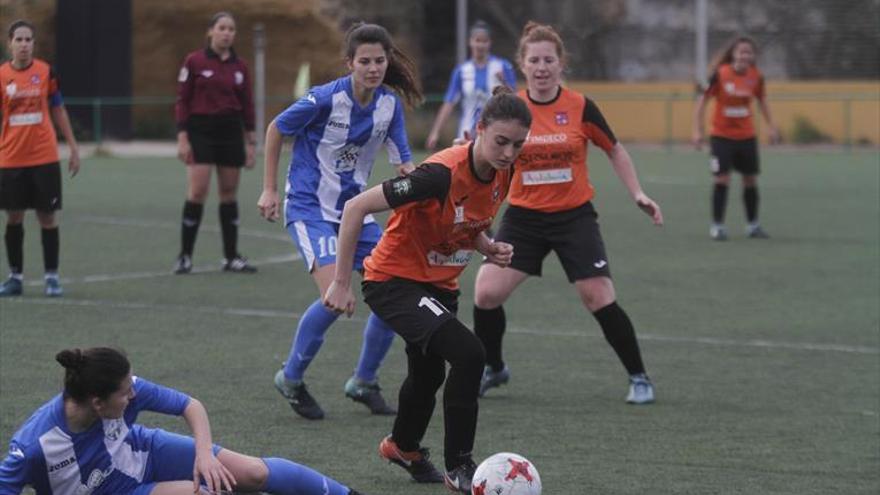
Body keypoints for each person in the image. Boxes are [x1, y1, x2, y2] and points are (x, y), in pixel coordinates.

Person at [323, 87, 532, 493]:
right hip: (393, 281)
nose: (509, 153)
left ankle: (403, 447)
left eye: (518, 144)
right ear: (478, 131)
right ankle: (460, 467)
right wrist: (340, 282)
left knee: (429, 371)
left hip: (440, 285)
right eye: (501, 142)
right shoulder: (438, 174)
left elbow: (466, 221)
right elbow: (355, 208)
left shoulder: (504, 173)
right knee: (470, 354)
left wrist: (487, 245)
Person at [472, 22, 664, 405]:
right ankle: (494, 368)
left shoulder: (580, 106)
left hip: (573, 216)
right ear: (522, 65)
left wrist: (638, 193)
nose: (542, 67)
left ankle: (639, 377)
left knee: (597, 295)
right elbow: (485, 155)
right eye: (534, 60)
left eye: (549, 59)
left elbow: (614, 149)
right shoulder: (513, 108)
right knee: (486, 293)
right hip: (524, 218)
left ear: (561, 64)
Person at [257, 23, 422, 420]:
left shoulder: (389, 106)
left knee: (393, 293)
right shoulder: (324, 100)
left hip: (356, 213)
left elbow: (404, 162)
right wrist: (269, 189)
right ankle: (291, 377)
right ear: (349, 63)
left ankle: (363, 381)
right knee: (335, 297)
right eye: (364, 61)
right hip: (310, 210)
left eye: (379, 60)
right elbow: (276, 129)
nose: (372, 68)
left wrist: (419, 186)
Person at [0, 347, 365, 495]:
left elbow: (191, 405)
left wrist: (205, 455)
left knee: (252, 473)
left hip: (146, 451)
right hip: (122, 492)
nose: (133, 394)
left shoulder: (124, 390)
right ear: (97, 403)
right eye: (124, 392)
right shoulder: (34, 447)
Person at [0, 20, 80, 298]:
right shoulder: (1, 76)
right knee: (14, 217)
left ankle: (51, 277)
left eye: (28, 39)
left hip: (44, 157)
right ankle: (15, 277)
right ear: (10, 43)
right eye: (18, 39)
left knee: (47, 217)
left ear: (34, 43)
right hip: (11, 158)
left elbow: (58, 109)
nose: (24, 44)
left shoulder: (46, 72)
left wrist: (72, 146)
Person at [173, 11, 257, 274]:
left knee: (229, 193)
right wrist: (183, 137)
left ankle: (231, 257)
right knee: (197, 192)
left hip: (231, 131)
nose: (227, 33)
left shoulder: (240, 66)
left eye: (231, 29)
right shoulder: (194, 61)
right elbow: (182, 100)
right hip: (201, 131)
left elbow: (247, 104)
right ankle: (185, 256)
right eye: (222, 28)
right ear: (210, 31)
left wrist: (251, 141)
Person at [693, 36, 780, 241]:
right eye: (741, 51)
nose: (744, 55)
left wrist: (772, 127)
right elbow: (702, 102)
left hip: (746, 136)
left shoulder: (756, 77)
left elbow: (762, 101)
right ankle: (717, 226)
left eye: (748, 52)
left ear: (753, 56)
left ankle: (753, 225)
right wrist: (697, 131)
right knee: (722, 178)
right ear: (733, 54)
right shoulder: (720, 75)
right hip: (721, 137)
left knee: (750, 179)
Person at [425, 20, 517, 151]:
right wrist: (435, 132)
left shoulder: (502, 66)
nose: (480, 45)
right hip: (467, 133)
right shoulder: (461, 71)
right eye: (477, 40)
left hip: (496, 132)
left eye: (484, 41)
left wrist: (504, 82)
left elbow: (515, 99)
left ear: (490, 43)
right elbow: (449, 103)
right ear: (470, 42)